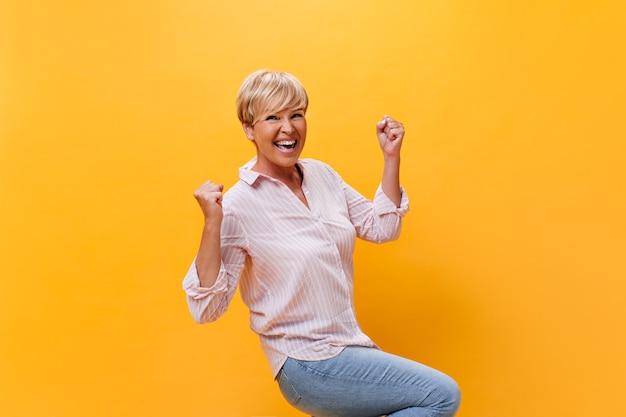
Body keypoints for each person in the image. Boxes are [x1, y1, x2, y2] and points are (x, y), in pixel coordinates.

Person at [182, 69, 461, 417]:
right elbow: (206, 309)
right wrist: (212, 222)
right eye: (272, 118)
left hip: (347, 346)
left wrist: (391, 158)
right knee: (441, 396)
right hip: (306, 362)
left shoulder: (322, 176)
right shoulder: (239, 205)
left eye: (296, 115)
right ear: (249, 129)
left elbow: (382, 228)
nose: (289, 128)